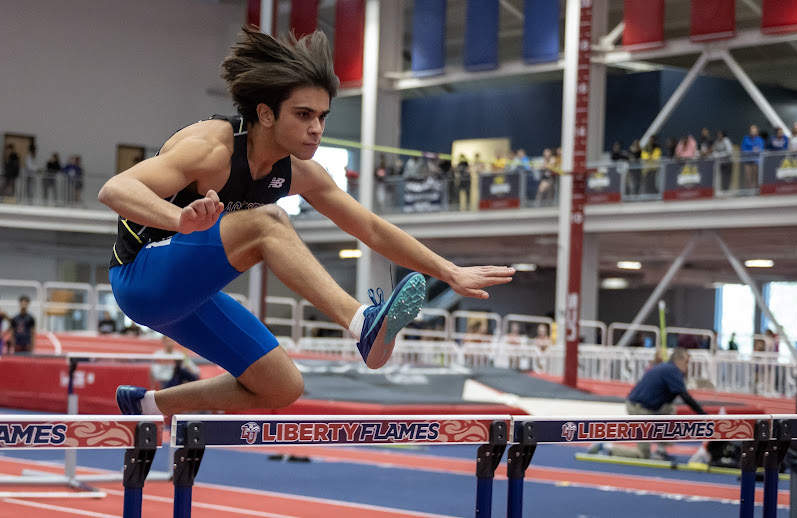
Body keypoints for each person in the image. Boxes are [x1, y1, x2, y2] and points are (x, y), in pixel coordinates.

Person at [101, 27, 515, 417]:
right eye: (303, 115)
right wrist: (179, 218)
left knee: (281, 386)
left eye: (322, 116)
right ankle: (362, 323)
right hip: (140, 278)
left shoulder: (299, 172)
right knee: (268, 222)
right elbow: (115, 189)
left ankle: (148, 406)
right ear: (266, 114)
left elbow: (371, 229)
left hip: (189, 299)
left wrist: (449, 271)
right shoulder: (211, 149)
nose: (316, 129)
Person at [588, 348, 706, 460]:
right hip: (639, 409)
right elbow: (685, 396)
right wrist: (703, 415)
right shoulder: (672, 371)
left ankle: (661, 450)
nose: (687, 366)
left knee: (669, 409)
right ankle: (607, 448)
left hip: (646, 406)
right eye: (686, 362)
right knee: (643, 454)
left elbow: (674, 397)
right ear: (678, 360)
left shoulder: (666, 368)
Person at [741, 125, 764, 190]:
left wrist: (751, 149)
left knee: (756, 176)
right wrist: (752, 150)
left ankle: (756, 190)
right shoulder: (746, 139)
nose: (753, 132)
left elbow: (760, 150)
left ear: (756, 132)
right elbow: (743, 149)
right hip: (748, 161)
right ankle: (748, 191)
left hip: (756, 161)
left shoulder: (760, 140)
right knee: (748, 177)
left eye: (754, 131)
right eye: (751, 130)